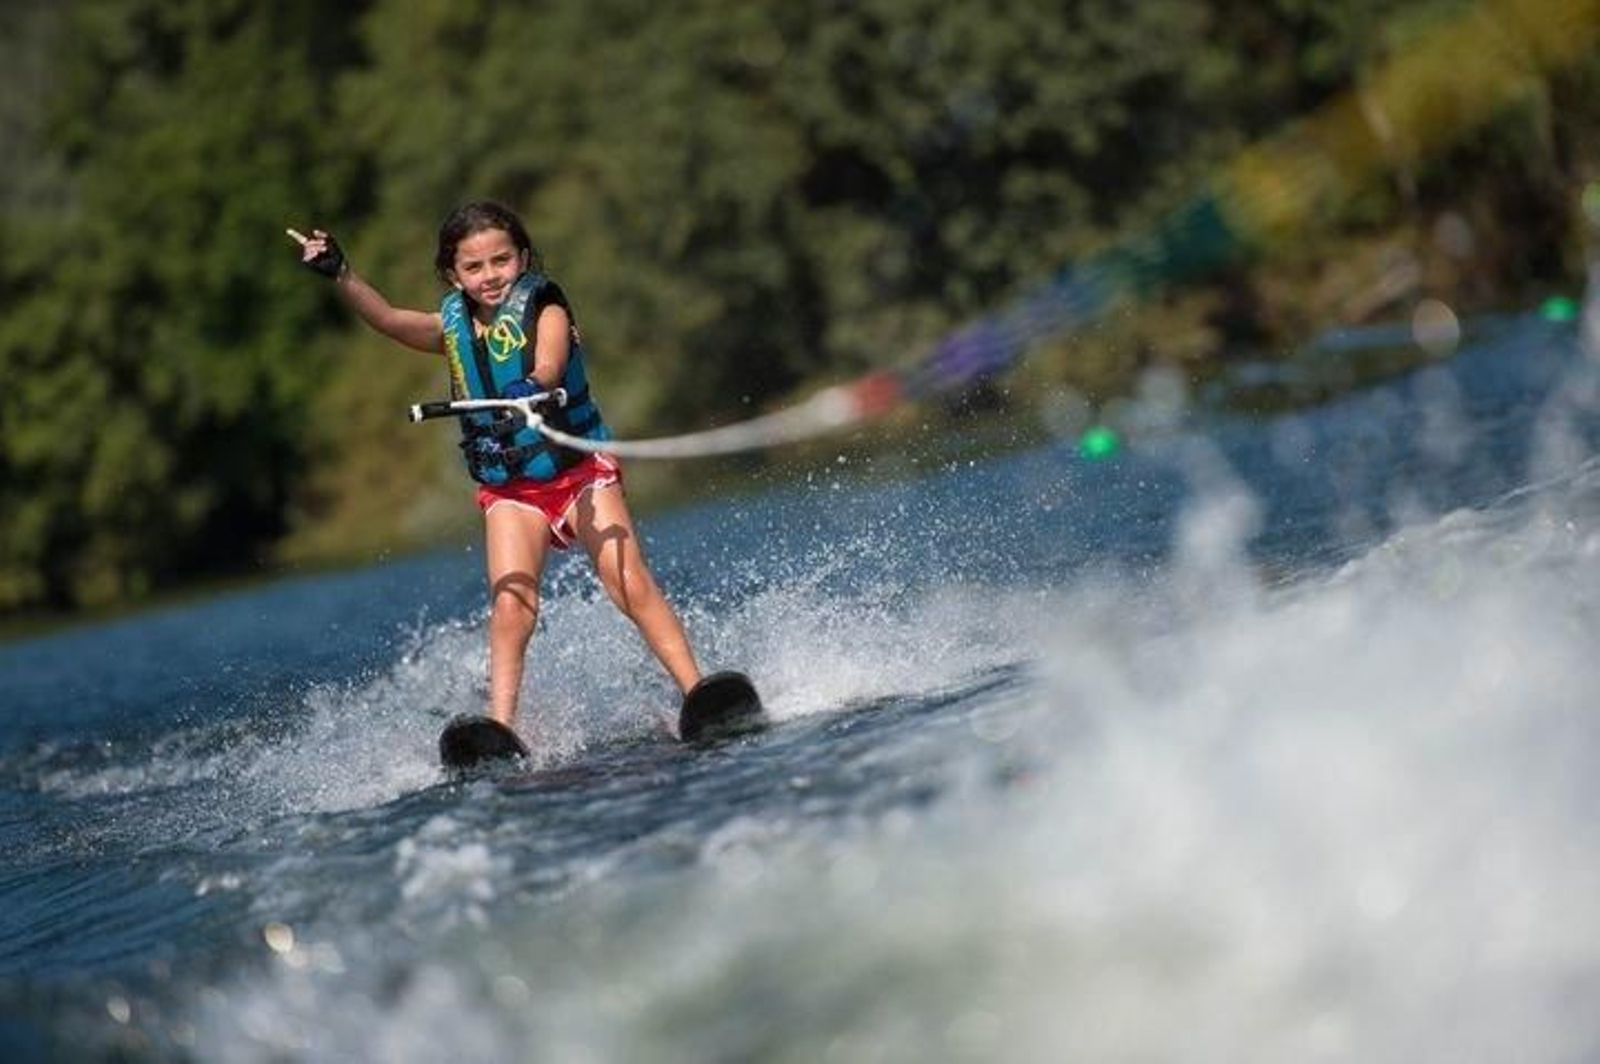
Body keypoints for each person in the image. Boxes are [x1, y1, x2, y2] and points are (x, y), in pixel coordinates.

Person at [288, 201, 701, 737]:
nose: (490, 276)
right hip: (513, 489)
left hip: (579, 472)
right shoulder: (453, 327)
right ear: (452, 274)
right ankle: (502, 728)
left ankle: (697, 692)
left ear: (523, 258)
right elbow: (389, 320)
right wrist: (342, 275)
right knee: (511, 606)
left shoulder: (546, 310)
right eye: (474, 266)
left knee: (628, 582)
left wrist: (533, 385)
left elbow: (549, 362)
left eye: (501, 261)